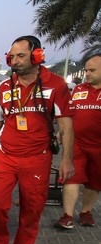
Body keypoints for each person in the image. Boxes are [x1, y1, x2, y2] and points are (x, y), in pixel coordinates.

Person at [0, 35, 74, 244]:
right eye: (12, 56)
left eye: (21, 55)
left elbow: (67, 126)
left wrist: (66, 159)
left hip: (37, 159)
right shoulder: (4, 87)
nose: (14, 61)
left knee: (31, 211)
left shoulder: (56, 85)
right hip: (7, 157)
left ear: (37, 55)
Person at [55, 54, 101, 229]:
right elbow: (68, 114)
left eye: (92, 70)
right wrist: (62, 131)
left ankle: (86, 212)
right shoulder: (79, 90)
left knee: (94, 182)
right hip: (77, 144)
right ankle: (67, 215)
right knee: (71, 177)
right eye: (86, 70)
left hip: (99, 147)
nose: (87, 73)